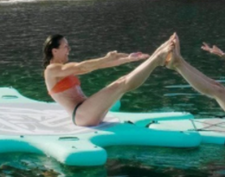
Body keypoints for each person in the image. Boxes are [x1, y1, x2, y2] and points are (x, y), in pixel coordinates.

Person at [44, 34, 174, 127]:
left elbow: (97, 65)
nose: (69, 50)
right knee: (120, 84)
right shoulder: (51, 70)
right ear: (55, 51)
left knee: (122, 83)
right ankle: (156, 59)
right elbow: (82, 66)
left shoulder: (63, 70)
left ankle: (155, 58)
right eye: (66, 47)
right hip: (81, 114)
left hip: (89, 112)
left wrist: (128, 58)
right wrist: (106, 58)